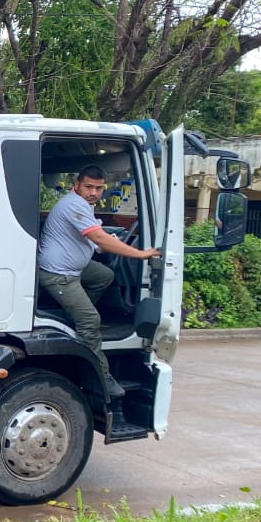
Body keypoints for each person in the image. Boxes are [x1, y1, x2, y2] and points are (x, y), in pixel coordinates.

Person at [37, 166, 161, 398]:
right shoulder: (74, 205)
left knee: (105, 276)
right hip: (59, 275)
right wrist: (142, 254)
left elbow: (99, 242)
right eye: (88, 187)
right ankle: (100, 376)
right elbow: (98, 237)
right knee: (91, 319)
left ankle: (74, 316)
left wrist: (110, 240)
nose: (94, 192)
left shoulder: (83, 206)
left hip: (75, 267)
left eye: (99, 188)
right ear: (76, 185)